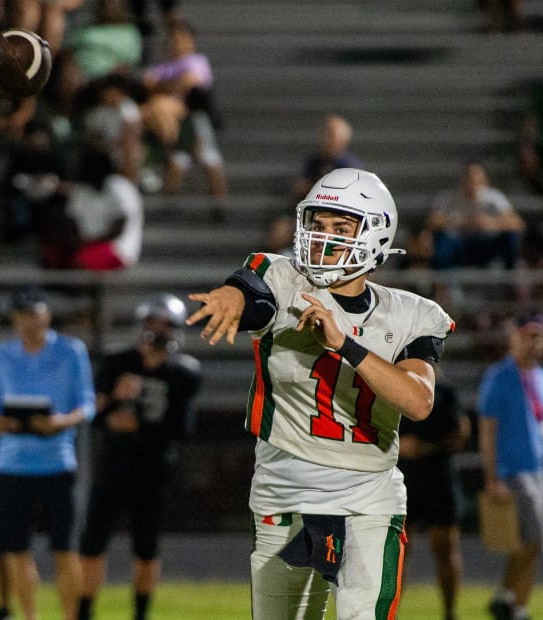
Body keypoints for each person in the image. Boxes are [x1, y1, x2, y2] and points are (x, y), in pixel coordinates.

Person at [185, 167, 455, 619]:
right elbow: (249, 291)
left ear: (376, 235)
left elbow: (417, 401)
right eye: (318, 224)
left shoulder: (412, 313)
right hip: (284, 489)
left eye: (341, 228)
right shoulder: (282, 278)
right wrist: (231, 299)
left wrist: (345, 345)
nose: (323, 237)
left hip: (368, 494)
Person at [78, 292, 202, 620]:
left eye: (166, 325)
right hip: (113, 463)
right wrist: (113, 402)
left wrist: (138, 426)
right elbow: (92, 410)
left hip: (153, 467)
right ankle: (84, 611)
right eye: (153, 323)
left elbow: (183, 429)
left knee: (146, 547)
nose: (159, 331)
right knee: (93, 542)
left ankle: (140, 614)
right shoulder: (118, 361)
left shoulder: (183, 372)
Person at [0, 285, 96, 620]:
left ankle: (71, 614)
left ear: (47, 316)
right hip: (11, 464)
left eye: (36, 315)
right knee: (15, 550)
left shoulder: (71, 351)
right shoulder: (0, 356)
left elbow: (86, 405)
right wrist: (2, 424)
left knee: (65, 548)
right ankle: (29, 615)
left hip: (56, 461)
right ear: (14, 320)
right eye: (23, 317)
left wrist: (59, 421)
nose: (30, 323)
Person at [477, 312, 543, 620]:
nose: (534, 342)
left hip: (537, 468)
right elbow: (488, 429)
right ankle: (518, 608)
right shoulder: (500, 375)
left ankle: (505, 597)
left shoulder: (539, 375)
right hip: (514, 469)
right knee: (533, 539)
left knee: (529, 541)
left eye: (537, 336)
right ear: (514, 337)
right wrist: (492, 477)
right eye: (528, 335)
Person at [398, 368, 471, 620]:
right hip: (402, 481)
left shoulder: (445, 390)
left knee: (445, 548)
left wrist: (427, 447)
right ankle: (390, 612)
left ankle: (450, 612)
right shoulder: (394, 382)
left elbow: (461, 432)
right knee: (397, 554)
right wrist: (399, 447)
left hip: (439, 478)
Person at [142, 19, 228, 209]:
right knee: (176, 162)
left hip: (196, 121)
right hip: (175, 124)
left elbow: (189, 83)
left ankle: (219, 206)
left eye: (180, 39)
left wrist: (163, 89)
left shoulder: (197, 62)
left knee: (210, 161)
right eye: (172, 39)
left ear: (191, 41)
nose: (176, 43)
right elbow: (147, 84)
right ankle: (169, 205)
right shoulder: (162, 66)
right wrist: (172, 89)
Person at [426, 160, 525, 271]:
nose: (471, 179)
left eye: (475, 175)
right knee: (439, 240)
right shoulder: (447, 198)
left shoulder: (494, 196)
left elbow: (517, 222)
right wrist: (461, 223)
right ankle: (445, 284)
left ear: (484, 179)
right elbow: (432, 221)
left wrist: (490, 223)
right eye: (468, 175)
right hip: (458, 244)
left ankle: (510, 280)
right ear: (461, 178)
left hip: (487, 244)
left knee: (511, 236)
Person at [291, 114, 364, 205]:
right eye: (325, 134)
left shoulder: (350, 166)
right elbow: (301, 188)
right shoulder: (313, 161)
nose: (326, 140)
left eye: (331, 135)